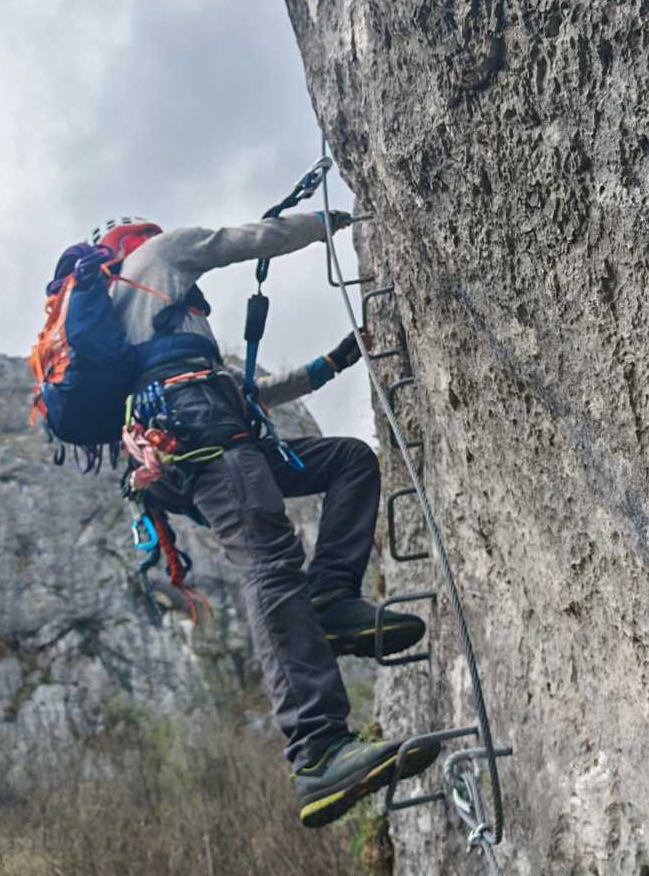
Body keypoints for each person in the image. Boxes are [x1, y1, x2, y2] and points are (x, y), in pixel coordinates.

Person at [93, 213, 440, 826]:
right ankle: (317, 750)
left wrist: (335, 360)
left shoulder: (156, 336)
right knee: (271, 565)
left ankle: (332, 598)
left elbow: (248, 390)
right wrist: (330, 218)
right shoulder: (156, 258)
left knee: (349, 462)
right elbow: (239, 241)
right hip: (208, 442)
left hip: (215, 438)